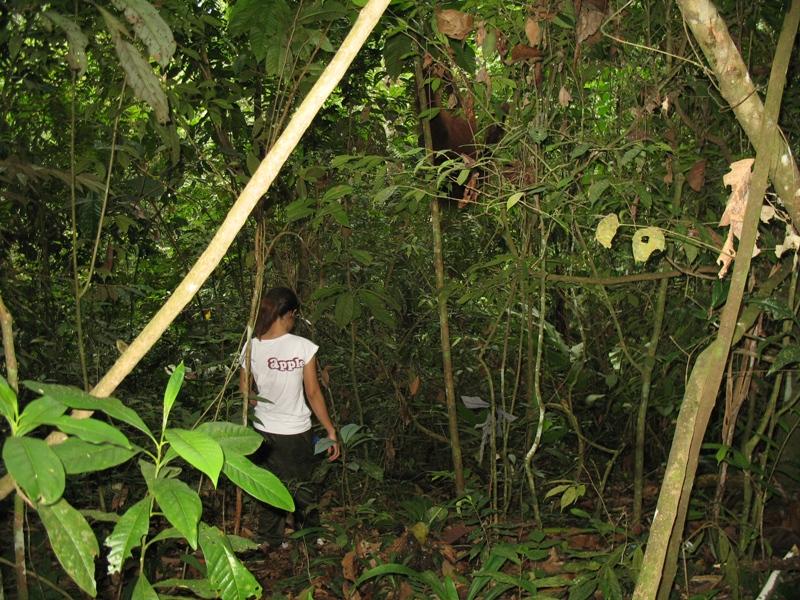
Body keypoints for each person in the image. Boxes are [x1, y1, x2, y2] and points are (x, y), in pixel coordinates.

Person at [239, 286, 340, 547]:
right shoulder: (303, 347)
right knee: (303, 486)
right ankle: (309, 537)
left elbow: (244, 392)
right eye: (294, 314)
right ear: (288, 314)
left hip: (263, 430)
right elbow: (313, 392)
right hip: (296, 430)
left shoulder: (251, 347)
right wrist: (330, 430)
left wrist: (260, 410)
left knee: (269, 486)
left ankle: (270, 539)